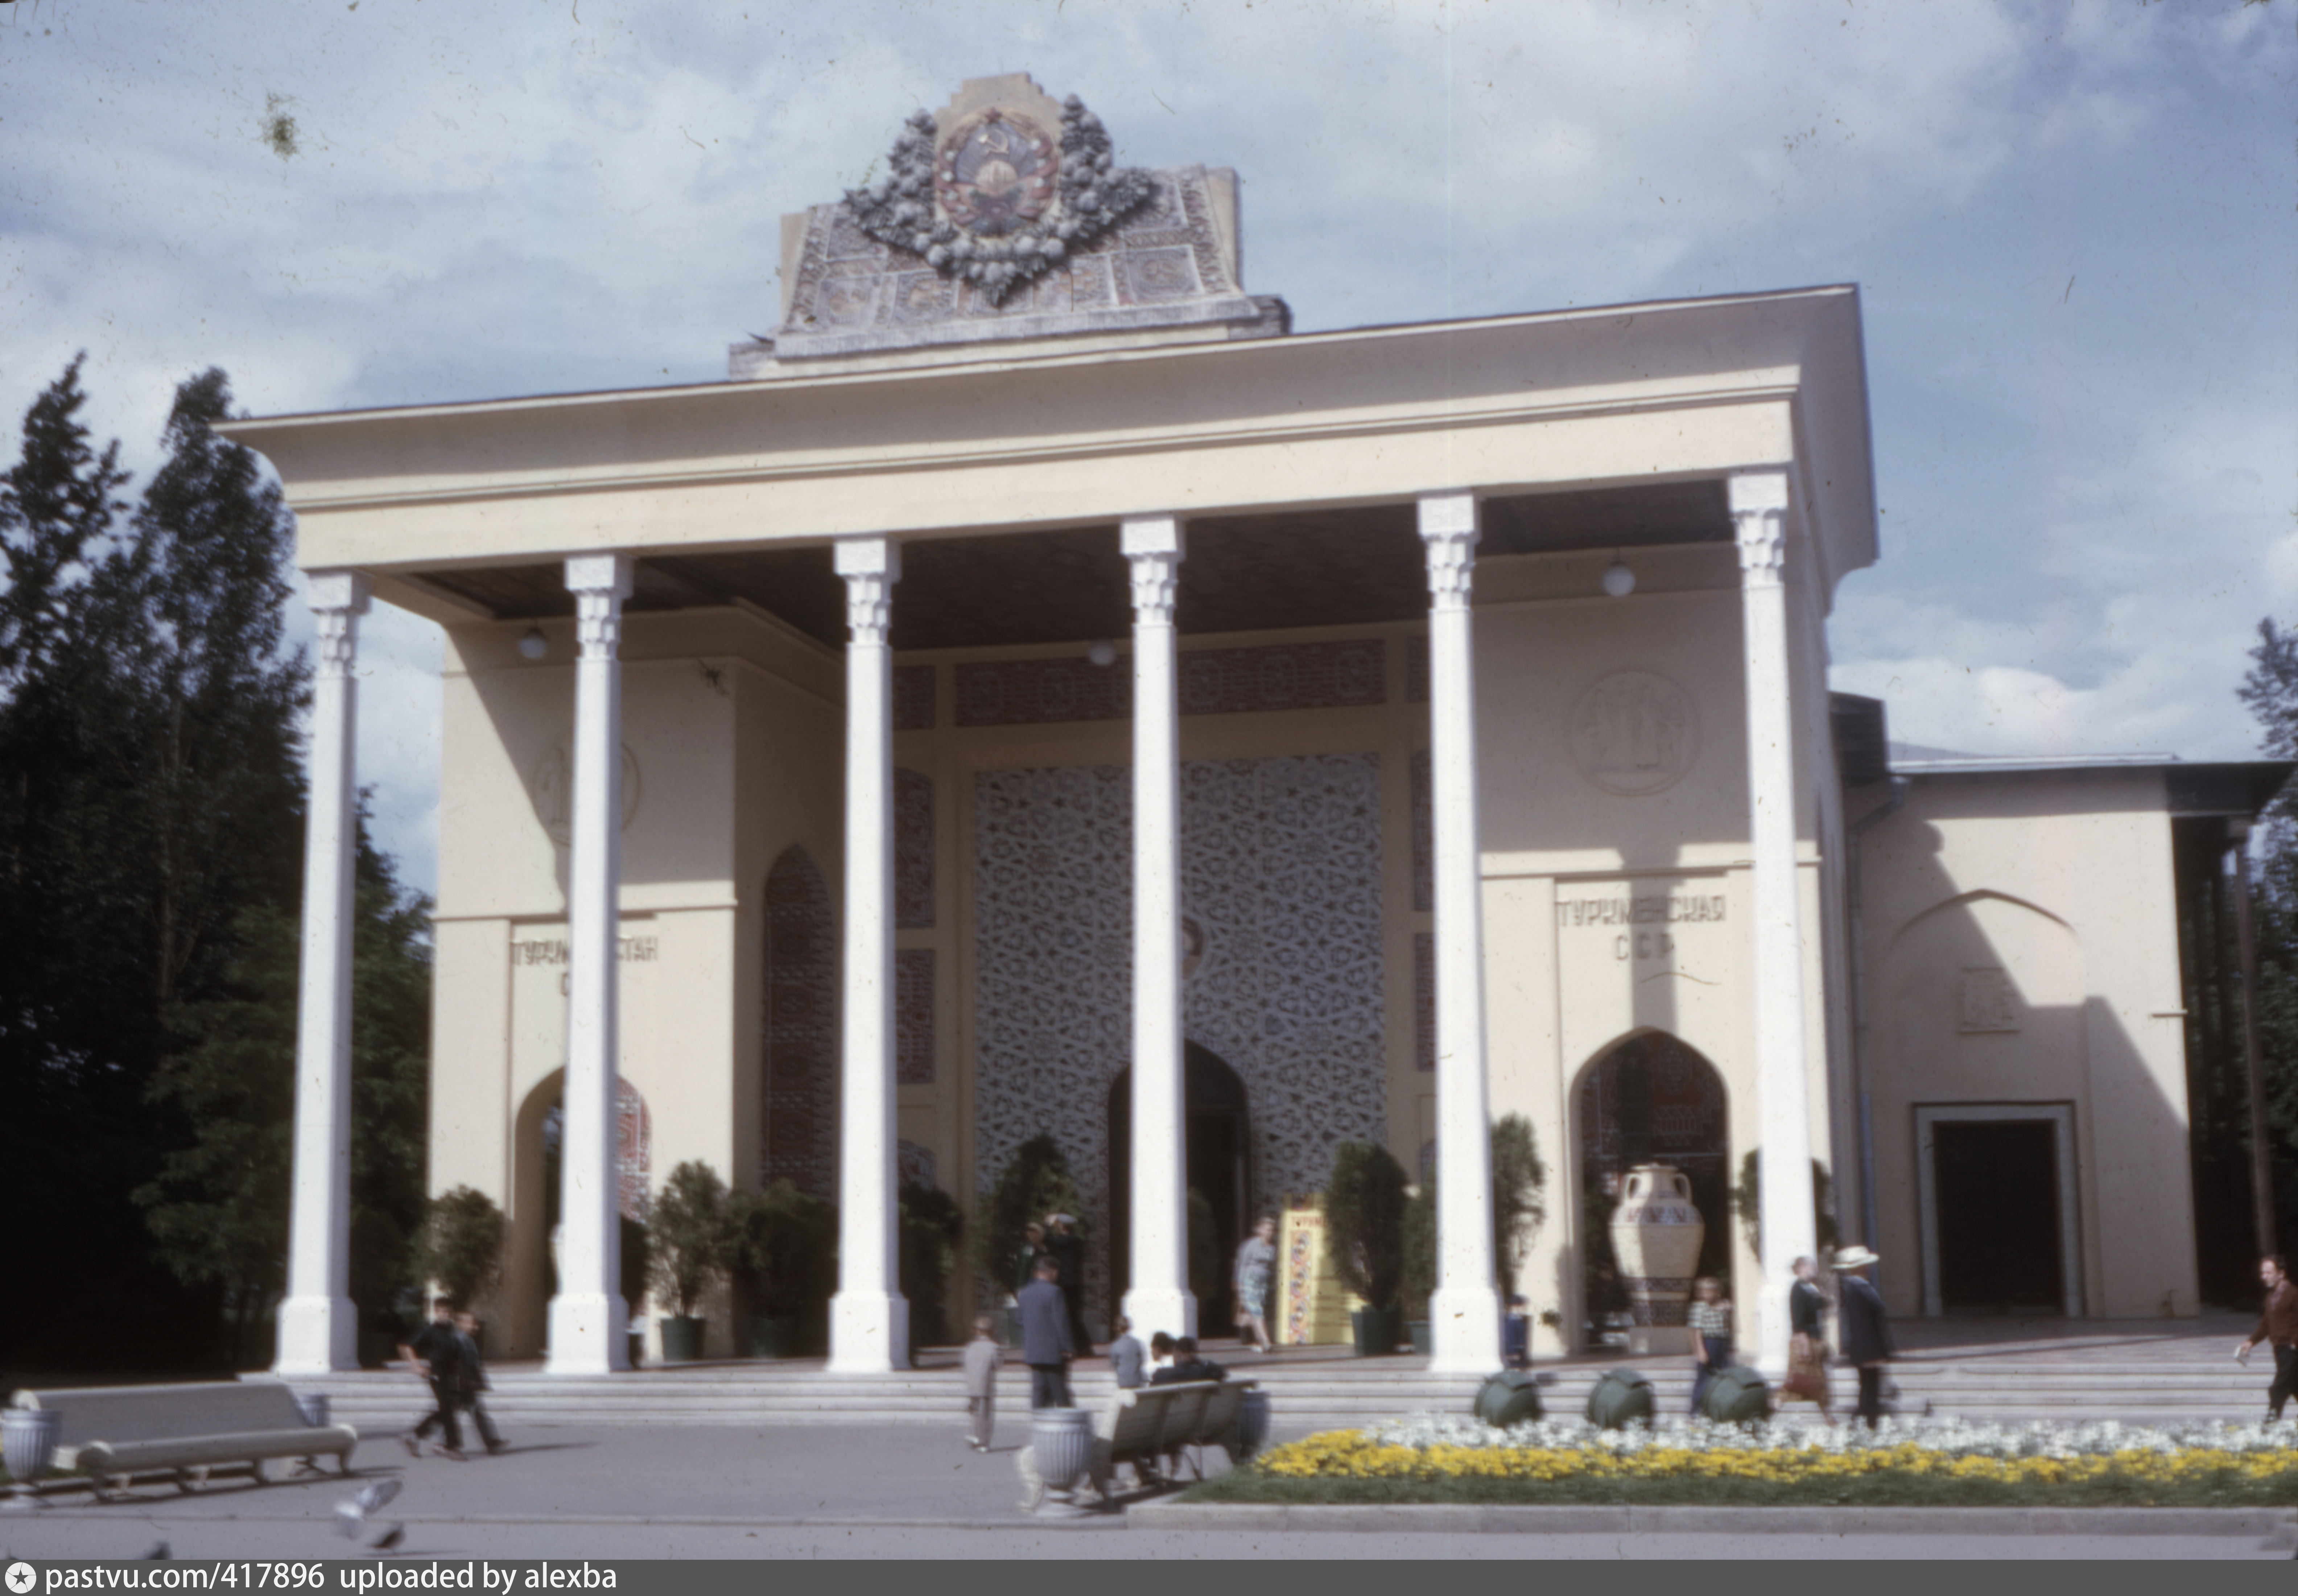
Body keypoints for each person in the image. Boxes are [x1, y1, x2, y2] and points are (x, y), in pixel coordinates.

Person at [397, 1299, 471, 1460]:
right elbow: (407, 1346)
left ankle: (414, 1436)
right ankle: (451, 1446)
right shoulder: (429, 1330)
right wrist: (416, 1366)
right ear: (436, 1312)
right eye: (441, 1311)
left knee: (446, 1409)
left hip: (452, 1375)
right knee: (447, 1408)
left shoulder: (452, 1331)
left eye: (447, 1312)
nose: (445, 1314)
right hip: (437, 1374)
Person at [1833, 1245, 1893, 1429]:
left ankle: (1865, 1423)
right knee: (1869, 1388)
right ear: (1858, 1267)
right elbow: (1862, 1323)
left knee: (1869, 1387)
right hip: (1867, 1347)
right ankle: (1866, 1425)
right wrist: (1875, 1350)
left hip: (1869, 1346)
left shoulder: (1860, 1286)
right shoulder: (1856, 1287)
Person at [2235, 1254, 2298, 1422]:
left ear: (2281, 1274)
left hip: (2292, 1350)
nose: (2264, 1277)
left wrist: (2294, 1342)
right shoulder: (2271, 1297)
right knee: (2293, 1386)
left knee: (2278, 1388)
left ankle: (2271, 1424)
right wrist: (2251, 1342)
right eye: (2263, 1273)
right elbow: (2266, 1323)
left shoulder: (2293, 1294)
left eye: (2269, 1273)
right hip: (2279, 1348)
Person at [1016, 1254, 1075, 1409]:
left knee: (1039, 1390)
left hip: (1034, 1351)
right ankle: (1067, 1427)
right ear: (1053, 1272)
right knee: (1060, 1392)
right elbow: (1061, 1322)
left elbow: (1019, 1320)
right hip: (1054, 1351)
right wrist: (1069, 1347)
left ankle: (1039, 1425)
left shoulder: (1024, 1293)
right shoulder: (1055, 1292)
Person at [1783, 1254, 1835, 1420]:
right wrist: (1804, 1343)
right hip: (1806, 1340)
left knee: (1818, 1381)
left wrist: (1820, 1285)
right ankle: (1773, 1409)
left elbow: (1825, 1303)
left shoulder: (1810, 1287)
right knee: (1798, 1382)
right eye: (1810, 1266)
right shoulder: (1798, 1289)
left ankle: (1828, 1417)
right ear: (1801, 1268)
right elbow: (1798, 1318)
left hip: (1816, 1339)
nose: (1814, 1269)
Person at [451, 1309, 507, 1456]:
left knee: (476, 1412)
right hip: (461, 1384)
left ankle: (492, 1443)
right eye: (471, 1323)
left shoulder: (469, 1339)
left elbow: (474, 1364)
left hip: (468, 1384)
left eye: (475, 1323)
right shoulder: (458, 1339)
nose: (475, 1326)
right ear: (461, 1323)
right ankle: (439, 1442)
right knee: (451, 1414)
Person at [1044, 1213, 1091, 1354]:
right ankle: (1082, 1346)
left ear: (1062, 1226)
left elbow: (1050, 1242)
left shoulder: (1069, 1241)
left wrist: (1048, 1226)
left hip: (1068, 1283)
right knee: (1072, 1316)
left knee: (1070, 1315)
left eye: (1059, 1225)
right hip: (1072, 1282)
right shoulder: (1075, 1240)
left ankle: (1082, 1346)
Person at [1686, 1277, 1731, 1415]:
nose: (1707, 1295)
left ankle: (1719, 1408)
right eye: (1704, 1292)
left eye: (1710, 1292)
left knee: (1723, 1374)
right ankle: (1696, 1411)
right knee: (1705, 1377)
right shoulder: (1699, 1307)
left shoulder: (1723, 1305)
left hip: (1721, 1342)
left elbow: (1727, 1323)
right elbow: (1697, 1331)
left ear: (1717, 1292)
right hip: (1708, 1342)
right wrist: (1700, 1351)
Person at [1233, 1216, 1278, 1353]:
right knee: (1257, 1310)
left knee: (1255, 1311)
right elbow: (1241, 1263)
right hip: (1249, 1280)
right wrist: (1238, 1282)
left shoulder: (1272, 1248)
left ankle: (1259, 1342)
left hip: (1262, 1283)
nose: (1269, 1233)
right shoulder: (1251, 1245)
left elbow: (1271, 1266)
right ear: (1259, 1230)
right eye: (1266, 1229)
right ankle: (1266, 1341)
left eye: (1271, 1230)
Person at [962, 1314, 1003, 1450]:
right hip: (985, 1384)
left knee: (974, 1412)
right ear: (992, 1332)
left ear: (977, 1331)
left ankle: (974, 1435)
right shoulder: (994, 1347)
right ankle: (984, 1442)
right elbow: (998, 1364)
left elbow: (966, 1363)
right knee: (985, 1414)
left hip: (972, 1384)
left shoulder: (970, 1346)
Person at [1151, 1335, 1227, 1386]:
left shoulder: (1161, 1374)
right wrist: (1197, 1361)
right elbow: (1220, 1371)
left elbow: (1155, 1381)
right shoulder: (1204, 1372)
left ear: (1178, 1354)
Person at [1108, 1314, 1147, 1390]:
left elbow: (1114, 1363)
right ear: (1129, 1327)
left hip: (1123, 1380)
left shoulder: (1116, 1345)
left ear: (1118, 1328)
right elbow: (1143, 1360)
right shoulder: (1137, 1343)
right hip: (1136, 1379)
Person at [1501, 1295, 1532, 1369]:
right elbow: (1510, 1338)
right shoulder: (1511, 1321)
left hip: (1521, 1353)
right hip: (1515, 1354)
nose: (1523, 1310)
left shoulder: (1519, 1320)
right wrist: (1513, 1353)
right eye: (1520, 1307)